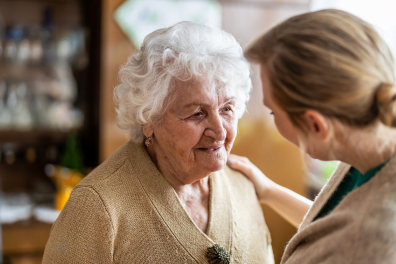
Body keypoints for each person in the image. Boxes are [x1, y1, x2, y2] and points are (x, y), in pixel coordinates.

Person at [42, 21, 274, 263]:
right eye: (197, 113)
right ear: (149, 118)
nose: (219, 131)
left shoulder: (243, 187)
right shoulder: (96, 207)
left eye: (227, 108)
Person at [228, 9, 396, 264]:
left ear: (316, 125)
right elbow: (334, 229)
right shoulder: (367, 145)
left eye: (273, 111)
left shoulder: (374, 244)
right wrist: (269, 191)